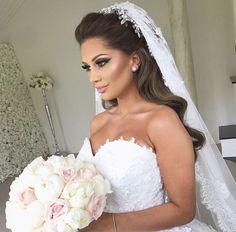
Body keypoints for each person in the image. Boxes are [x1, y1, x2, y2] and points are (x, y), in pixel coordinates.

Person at [75, 2, 236, 231]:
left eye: (101, 62)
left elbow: (183, 210)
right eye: (87, 67)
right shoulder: (98, 122)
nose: (93, 77)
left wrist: (105, 225)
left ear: (134, 60)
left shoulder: (161, 121)